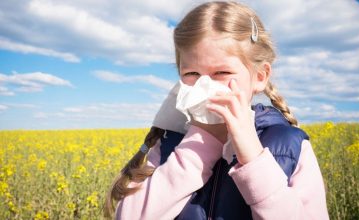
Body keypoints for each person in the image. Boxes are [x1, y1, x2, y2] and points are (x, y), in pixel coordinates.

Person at [104, 1, 329, 219]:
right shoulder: (170, 143)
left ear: (259, 77)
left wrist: (253, 158)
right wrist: (201, 143)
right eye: (191, 74)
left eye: (221, 73)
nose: (205, 86)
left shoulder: (287, 143)